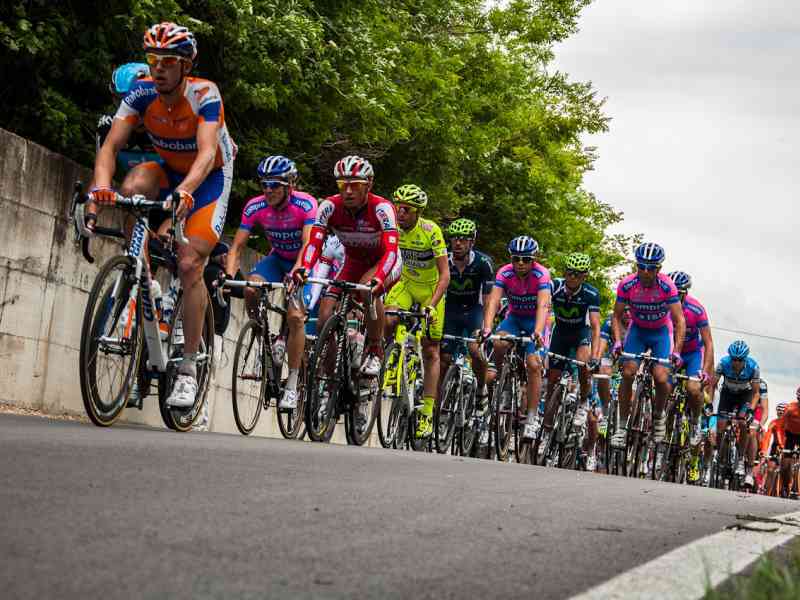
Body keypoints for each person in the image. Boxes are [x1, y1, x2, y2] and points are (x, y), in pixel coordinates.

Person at [85, 21, 237, 409]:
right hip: (168, 168)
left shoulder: (205, 94)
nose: (158, 68)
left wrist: (185, 191)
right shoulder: (139, 93)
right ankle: (141, 270)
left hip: (209, 177)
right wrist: (99, 189)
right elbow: (110, 146)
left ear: (186, 66)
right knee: (132, 187)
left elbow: (205, 153)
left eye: (168, 61)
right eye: (154, 60)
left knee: (189, 264)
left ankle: (187, 367)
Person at [295, 155, 402, 377]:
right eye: (343, 185)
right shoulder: (330, 206)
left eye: (355, 185)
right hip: (353, 261)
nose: (348, 191)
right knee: (324, 317)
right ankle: (329, 382)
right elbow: (315, 242)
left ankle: (374, 349)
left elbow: (391, 250)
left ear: (369, 184)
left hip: (384, 262)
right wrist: (305, 267)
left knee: (367, 290)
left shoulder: (382, 208)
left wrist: (379, 278)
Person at [225, 156, 316, 409]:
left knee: (296, 316)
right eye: (264, 184)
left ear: (290, 184)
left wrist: (298, 271)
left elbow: (309, 244)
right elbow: (237, 246)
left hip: (304, 261)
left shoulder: (305, 203)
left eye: (275, 184)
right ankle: (260, 332)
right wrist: (230, 277)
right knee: (251, 288)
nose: (268, 190)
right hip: (277, 260)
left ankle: (293, 384)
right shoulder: (255, 206)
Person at [383, 184, 449, 438]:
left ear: (417, 212)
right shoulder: (393, 228)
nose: (400, 212)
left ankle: (427, 413)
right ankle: (391, 355)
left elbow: (445, 275)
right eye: (397, 206)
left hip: (432, 290)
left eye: (406, 209)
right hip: (407, 284)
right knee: (389, 316)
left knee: (431, 350)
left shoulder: (431, 232)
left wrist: (432, 304)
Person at [610, 242, 686, 449]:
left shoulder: (667, 286)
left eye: (650, 267)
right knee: (627, 372)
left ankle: (659, 414)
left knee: (661, 377)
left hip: (661, 332)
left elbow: (680, 320)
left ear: (658, 269)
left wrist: (677, 352)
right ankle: (622, 425)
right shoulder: (627, 284)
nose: (645, 271)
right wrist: (618, 340)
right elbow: (616, 316)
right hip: (638, 331)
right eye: (641, 266)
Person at [479, 236, 552, 440]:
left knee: (533, 364)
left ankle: (531, 417)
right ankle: (501, 377)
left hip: (536, 322)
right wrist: (487, 327)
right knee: (498, 341)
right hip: (515, 319)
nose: (520, 263)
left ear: (533, 259)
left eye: (526, 259)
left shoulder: (541, 274)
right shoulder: (505, 271)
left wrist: (538, 331)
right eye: (516, 258)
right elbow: (494, 300)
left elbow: (543, 305)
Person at [543, 253, 602, 457]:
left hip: (580, 334)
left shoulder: (590, 294)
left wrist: (595, 356)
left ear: (584, 276)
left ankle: (584, 402)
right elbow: (543, 311)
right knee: (552, 378)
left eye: (577, 274)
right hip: (560, 333)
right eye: (569, 272)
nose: (572, 277)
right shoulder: (554, 286)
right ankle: (547, 427)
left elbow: (595, 327)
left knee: (583, 364)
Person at [440, 218, 494, 420]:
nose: (458, 244)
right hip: (451, 310)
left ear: (472, 242)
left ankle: (481, 389)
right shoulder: (443, 258)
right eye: (454, 239)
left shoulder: (483, 263)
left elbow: (489, 300)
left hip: (474, 310)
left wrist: (486, 327)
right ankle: (437, 404)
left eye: (463, 240)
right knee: (443, 357)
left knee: (475, 350)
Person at [667, 270, 714, 483]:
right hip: (671, 351)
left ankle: (695, 422)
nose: (677, 297)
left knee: (694, 389)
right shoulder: (663, 304)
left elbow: (709, 343)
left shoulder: (696, 308)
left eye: (681, 293)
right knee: (662, 385)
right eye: (674, 292)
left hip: (692, 353)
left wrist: (705, 370)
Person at [711, 340, 761, 487]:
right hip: (727, 394)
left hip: (744, 396)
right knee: (720, 425)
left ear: (744, 359)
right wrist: (709, 403)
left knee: (742, 422)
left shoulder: (753, 367)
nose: (736, 363)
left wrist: (751, 410)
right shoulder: (723, 363)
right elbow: (713, 384)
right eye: (734, 359)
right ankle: (720, 454)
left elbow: (756, 393)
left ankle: (740, 459)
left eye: (739, 360)